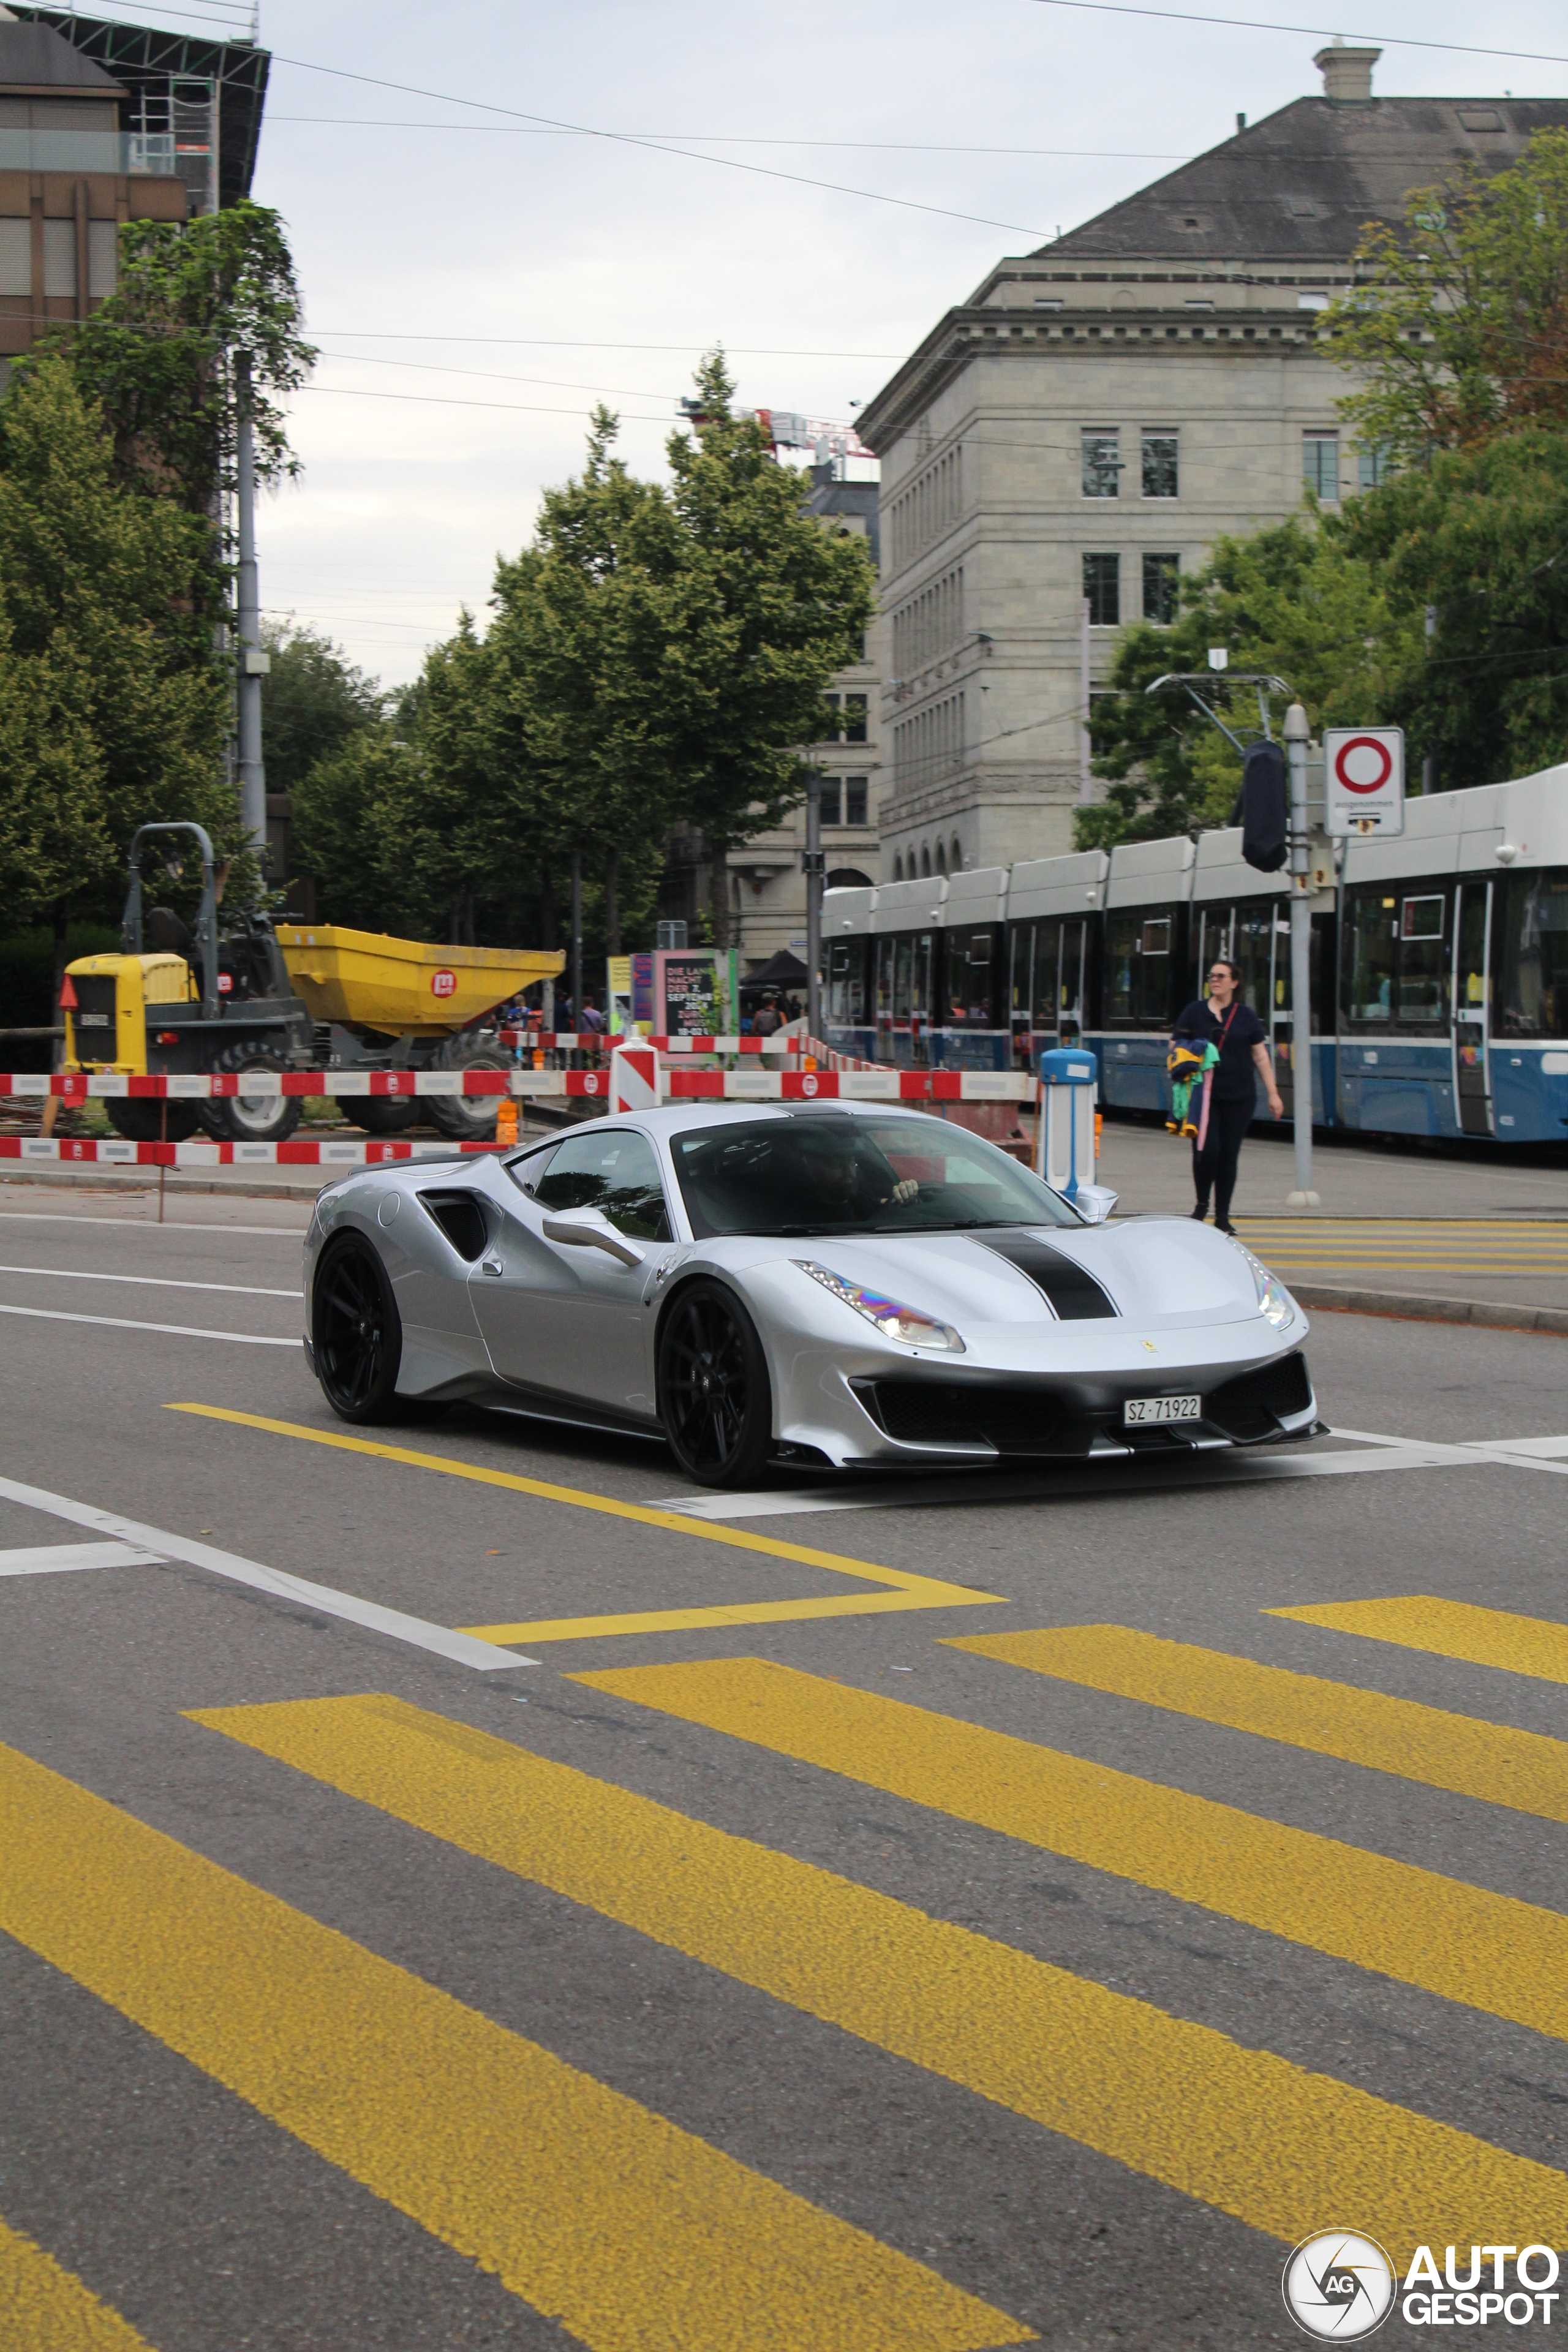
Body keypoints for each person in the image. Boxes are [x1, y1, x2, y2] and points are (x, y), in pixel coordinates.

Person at [1171, 956, 1283, 1234]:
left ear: (1234, 982)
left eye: (1221, 976)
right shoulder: (1194, 1012)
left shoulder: (1245, 1016)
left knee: (1229, 1154)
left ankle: (1223, 1216)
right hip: (1203, 1096)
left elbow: (1260, 1056)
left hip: (1240, 1096)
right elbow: (1175, 1047)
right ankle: (1201, 1206)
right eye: (1212, 976)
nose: (1215, 980)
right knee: (1207, 1152)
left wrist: (1274, 1093)